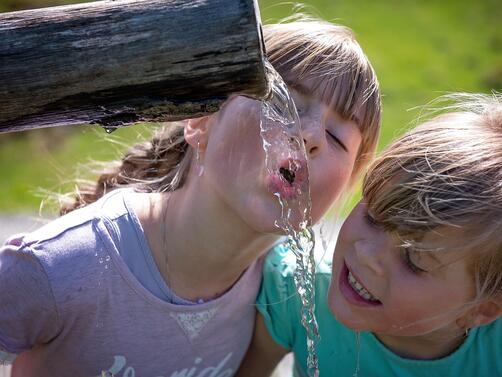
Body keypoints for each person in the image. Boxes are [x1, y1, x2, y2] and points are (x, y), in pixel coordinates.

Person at [0, 17, 381, 377]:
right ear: (200, 122)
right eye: (284, 104)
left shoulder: (281, 292)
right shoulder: (64, 264)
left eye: (336, 138)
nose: (310, 135)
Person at [239, 92, 502, 376]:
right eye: (373, 217)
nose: (366, 254)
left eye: (413, 260)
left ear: (480, 310)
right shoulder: (298, 295)